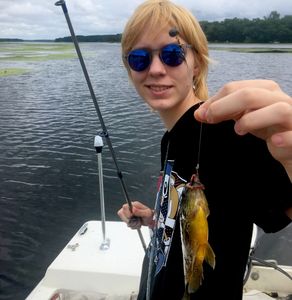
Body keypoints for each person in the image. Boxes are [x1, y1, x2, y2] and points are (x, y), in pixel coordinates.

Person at [117, 0, 292, 299]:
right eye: (139, 58)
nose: (156, 69)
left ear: (197, 62)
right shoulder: (171, 136)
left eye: (172, 55)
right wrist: (156, 219)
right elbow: (196, 213)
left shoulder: (230, 131)